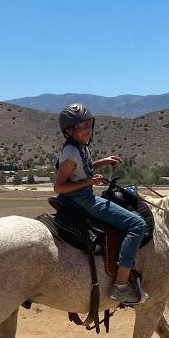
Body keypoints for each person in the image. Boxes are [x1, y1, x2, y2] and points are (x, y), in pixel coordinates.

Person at [53, 103, 147, 305]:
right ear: (69, 131)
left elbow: (82, 168)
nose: (86, 130)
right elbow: (58, 186)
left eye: (88, 125)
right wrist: (88, 182)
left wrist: (103, 162)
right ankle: (121, 286)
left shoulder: (79, 147)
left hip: (83, 194)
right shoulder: (70, 154)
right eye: (81, 127)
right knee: (137, 224)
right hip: (82, 199)